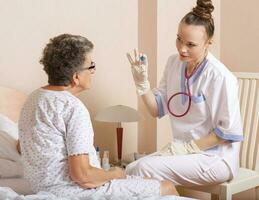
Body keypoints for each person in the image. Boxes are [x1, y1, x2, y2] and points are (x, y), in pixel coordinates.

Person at [18, 34, 179, 198]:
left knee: (145, 180)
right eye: (91, 66)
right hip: (78, 192)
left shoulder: (33, 99)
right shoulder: (72, 107)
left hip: (42, 189)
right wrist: (115, 173)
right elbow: (82, 176)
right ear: (76, 77)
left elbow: (25, 146)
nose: (93, 71)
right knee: (167, 187)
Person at [126, 0, 243, 187]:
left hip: (215, 157)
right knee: (131, 168)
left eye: (191, 44)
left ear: (208, 43)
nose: (182, 48)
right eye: (179, 39)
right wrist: (142, 84)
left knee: (141, 169)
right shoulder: (174, 63)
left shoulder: (220, 77)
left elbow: (227, 133)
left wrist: (188, 148)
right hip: (182, 153)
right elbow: (156, 110)